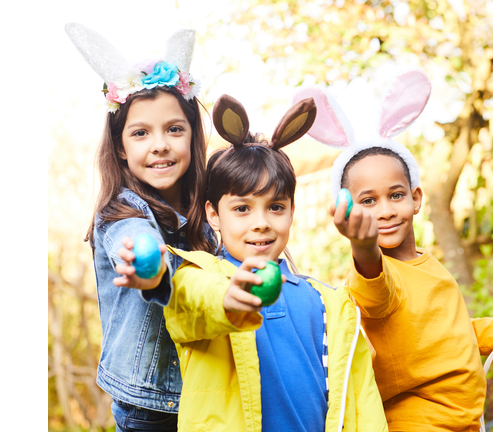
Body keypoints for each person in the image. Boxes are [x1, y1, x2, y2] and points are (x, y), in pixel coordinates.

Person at [294, 69, 493, 432]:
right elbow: (374, 290)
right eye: (368, 201)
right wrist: (362, 244)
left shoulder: (428, 263)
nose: (386, 210)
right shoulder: (375, 274)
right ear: (350, 208)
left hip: (465, 422)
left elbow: (442, 332)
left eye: (395, 195)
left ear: (416, 198)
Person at [162, 94, 387, 432]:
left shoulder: (329, 303)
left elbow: (363, 407)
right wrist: (228, 299)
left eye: (276, 207)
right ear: (213, 214)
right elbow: (191, 305)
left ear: (292, 212)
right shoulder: (197, 277)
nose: (261, 222)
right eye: (242, 209)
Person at [66, 23, 211, 431]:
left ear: (192, 135)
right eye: (141, 133)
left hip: (204, 393)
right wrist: (147, 264)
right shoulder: (120, 212)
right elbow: (134, 239)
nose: (159, 144)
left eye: (174, 129)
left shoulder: (207, 216)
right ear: (121, 148)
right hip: (147, 408)